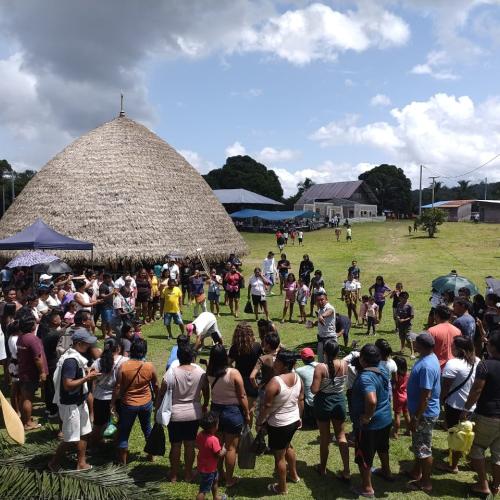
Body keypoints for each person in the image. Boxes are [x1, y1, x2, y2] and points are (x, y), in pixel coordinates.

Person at [48, 328, 101, 472]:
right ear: (78, 343)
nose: (89, 346)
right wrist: (87, 378)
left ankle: (81, 463)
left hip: (79, 401)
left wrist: (87, 372)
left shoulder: (75, 356)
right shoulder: (70, 361)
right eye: (86, 343)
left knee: (84, 432)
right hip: (70, 404)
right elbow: (68, 384)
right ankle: (53, 463)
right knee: (70, 439)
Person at [157, 343, 209, 483]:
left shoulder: (171, 372)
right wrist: (204, 404)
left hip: (175, 414)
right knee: (190, 444)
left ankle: (173, 475)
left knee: (175, 445)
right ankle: (187, 474)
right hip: (194, 413)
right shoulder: (201, 372)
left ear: (178, 356)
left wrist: (157, 408)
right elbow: (206, 390)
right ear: (193, 356)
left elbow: (161, 392)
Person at [256, 350, 303, 495]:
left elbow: (267, 406)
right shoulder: (297, 377)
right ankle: (294, 475)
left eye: (277, 361)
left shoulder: (275, 382)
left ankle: (282, 488)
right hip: (293, 420)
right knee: (288, 446)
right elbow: (300, 399)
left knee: (279, 457)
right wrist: (300, 417)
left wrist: (259, 421)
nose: (274, 363)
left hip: (279, 424)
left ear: (283, 364)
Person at [460, 330, 500, 497]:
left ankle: (483, 485)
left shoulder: (485, 365)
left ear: (491, 346)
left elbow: (477, 389)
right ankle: (496, 485)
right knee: (498, 452)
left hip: (487, 415)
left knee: (476, 448)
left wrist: (466, 408)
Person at [350, 344, 393, 497]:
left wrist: (367, 416)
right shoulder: (383, 367)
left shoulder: (365, 377)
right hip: (386, 419)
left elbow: (372, 400)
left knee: (364, 456)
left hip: (370, 425)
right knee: (382, 447)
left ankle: (367, 488)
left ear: (362, 359)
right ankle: (387, 472)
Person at [207, 344, 250, 488]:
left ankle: (219, 474)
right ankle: (230, 479)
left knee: (219, 446)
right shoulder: (233, 373)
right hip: (233, 412)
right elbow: (242, 395)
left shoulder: (209, 371)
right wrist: (247, 412)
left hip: (215, 412)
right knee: (231, 448)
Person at [112, 338, 158, 465]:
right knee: (147, 428)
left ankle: (122, 461)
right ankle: (151, 455)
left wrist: (112, 403)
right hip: (146, 403)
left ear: (131, 350)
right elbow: (156, 385)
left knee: (124, 431)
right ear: (144, 351)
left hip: (128, 404)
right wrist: (157, 400)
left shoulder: (123, 367)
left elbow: (117, 387)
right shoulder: (149, 366)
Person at [405, 333, 441, 493]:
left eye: (415, 342)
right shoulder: (430, 357)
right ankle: (416, 471)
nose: (413, 343)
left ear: (421, 346)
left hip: (424, 414)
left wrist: (416, 417)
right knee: (419, 444)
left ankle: (426, 482)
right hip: (423, 412)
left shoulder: (426, 366)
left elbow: (425, 396)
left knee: (424, 448)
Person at [437, 336, 479, 473]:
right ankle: (454, 451)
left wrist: (441, 400)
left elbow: (445, 386)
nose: (451, 349)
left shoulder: (453, 364)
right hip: (470, 405)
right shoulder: (477, 361)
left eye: (453, 346)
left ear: (459, 349)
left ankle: (453, 465)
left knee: (456, 433)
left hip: (455, 405)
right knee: (463, 432)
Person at [311, 340, 350, 480]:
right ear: (338, 351)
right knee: (341, 436)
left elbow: (314, 390)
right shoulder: (345, 364)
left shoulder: (320, 367)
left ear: (325, 352)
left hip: (323, 403)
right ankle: (347, 470)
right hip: (339, 402)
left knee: (324, 438)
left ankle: (322, 468)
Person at [89, 337, 126, 445]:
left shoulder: (97, 362)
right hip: (118, 397)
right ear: (118, 348)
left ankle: (94, 445)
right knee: (119, 422)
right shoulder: (124, 361)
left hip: (100, 397)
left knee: (98, 423)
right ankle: (116, 444)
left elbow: (92, 378)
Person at [17, 312, 48, 430]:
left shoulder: (21, 338)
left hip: (24, 370)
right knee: (28, 398)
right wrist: (42, 372)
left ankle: (23, 419)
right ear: (32, 326)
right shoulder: (32, 339)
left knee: (24, 396)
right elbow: (37, 358)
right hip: (31, 373)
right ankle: (27, 423)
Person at [228, 322, 262, 425]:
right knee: (250, 408)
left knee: (242, 407)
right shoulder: (257, 346)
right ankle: (248, 432)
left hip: (239, 380)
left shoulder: (235, 348)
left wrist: (234, 370)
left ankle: (243, 431)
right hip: (253, 380)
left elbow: (227, 363)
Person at [195, 411, 227, 500]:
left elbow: (197, 445)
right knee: (203, 490)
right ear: (214, 427)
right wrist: (224, 449)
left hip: (204, 466)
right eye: (217, 424)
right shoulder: (214, 440)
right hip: (209, 469)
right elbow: (219, 454)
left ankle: (216, 497)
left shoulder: (200, 434)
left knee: (215, 481)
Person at [428, 305, 461, 369]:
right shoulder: (458, 331)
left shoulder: (432, 331)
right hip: (454, 366)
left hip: (437, 366)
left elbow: (427, 350)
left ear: (436, 316)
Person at [296, 347, 317, 428]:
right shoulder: (322, 366)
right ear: (314, 356)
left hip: (310, 405)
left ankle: (302, 417)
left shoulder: (299, 370)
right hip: (322, 403)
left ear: (302, 359)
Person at [391, 356, 410, 439]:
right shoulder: (407, 375)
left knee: (397, 415)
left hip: (398, 397)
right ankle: (409, 430)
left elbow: (394, 386)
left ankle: (395, 432)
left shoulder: (396, 376)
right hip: (406, 396)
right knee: (406, 414)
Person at [314, 292, 336, 362]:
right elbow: (323, 321)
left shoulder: (329, 307)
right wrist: (314, 323)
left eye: (322, 300)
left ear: (326, 300)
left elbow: (330, 311)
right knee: (320, 361)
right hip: (321, 339)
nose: (320, 302)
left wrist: (322, 316)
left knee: (330, 361)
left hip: (330, 339)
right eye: (318, 300)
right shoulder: (320, 309)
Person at [396, 291, 415, 358]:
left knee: (408, 338)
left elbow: (412, 316)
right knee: (402, 337)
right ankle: (402, 349)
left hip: (407, 325)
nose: (400, 299)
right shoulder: (398, 304)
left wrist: (404, 320)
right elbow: (397, 313)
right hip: (400, 324)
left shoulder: (409, 306)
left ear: (405, 298)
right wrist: (398, 317)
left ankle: (412, 352)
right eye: (400, 298)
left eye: (401, 298)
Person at [98, 273, 115, 339]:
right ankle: (104, 335)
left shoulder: (109, 285)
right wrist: (111, 294)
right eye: (110, 278)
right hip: (105, 306)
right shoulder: (102, 286)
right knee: (105, 321)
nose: (111, 279)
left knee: (110, 320)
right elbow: (102, 295)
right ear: (105, 278)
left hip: (110, 305)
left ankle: (109, 333)